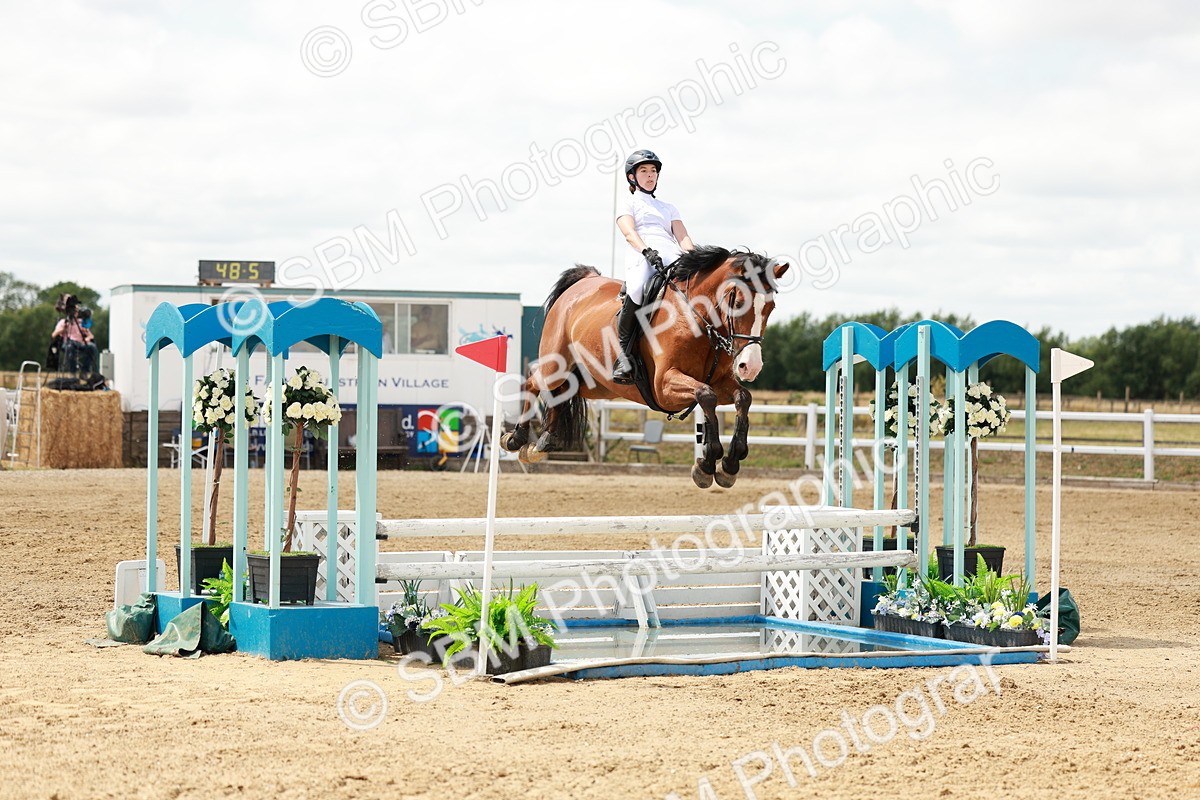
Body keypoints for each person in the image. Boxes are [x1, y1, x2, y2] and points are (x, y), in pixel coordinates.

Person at [612, 149, 695, 384]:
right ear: (632, 177)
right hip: (642, 252)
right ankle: (625, 356)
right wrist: (647, 251)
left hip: (671, 253)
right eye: (644, 171)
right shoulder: (628, 203)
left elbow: (683, 236)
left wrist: (694, 257)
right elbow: (629, 232)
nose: (650, 175)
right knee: (638, 288)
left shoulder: (669, 208)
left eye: (653, 171)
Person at [51, 294, 97, 374]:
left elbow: (91, 335)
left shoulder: (81, 322)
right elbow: (53, 335)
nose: (76, 312)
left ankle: (85, 371)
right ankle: (73, 373)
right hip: (68, 343)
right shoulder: (63, 322)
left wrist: (87, 339)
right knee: (70, 347)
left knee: (92, 347)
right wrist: (63, 329)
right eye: (74, 311)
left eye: (77, 311)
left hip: (80, 343)